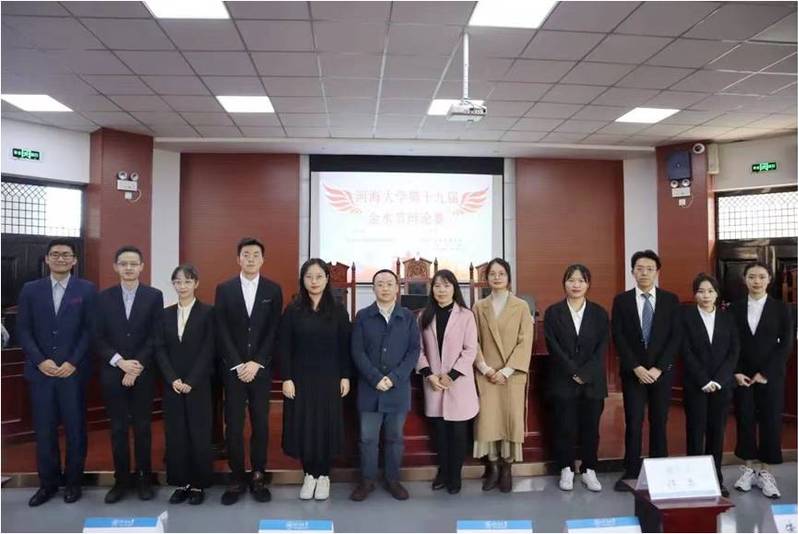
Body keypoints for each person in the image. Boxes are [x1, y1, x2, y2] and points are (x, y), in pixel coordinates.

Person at [17, 239, 96, 506]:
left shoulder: (86, 289)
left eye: (66, 254)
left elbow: (90, 330)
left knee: (75, 431)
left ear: (74, 260)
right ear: (47, 259)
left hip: (73, 373)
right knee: (45, 431)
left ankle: (73, 483)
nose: (60, 258)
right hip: (41, 373)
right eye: (55, 254)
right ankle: (48, 484)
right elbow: (23, 329)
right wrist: (40, 361)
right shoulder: (31, 289)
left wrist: (73, 361)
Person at [214, 237, 283, 505]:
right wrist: (238, 363)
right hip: (233, 370)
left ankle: (257, 475)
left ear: (262, 259)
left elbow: (274, 330)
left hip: (260, 370)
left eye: (256, 254)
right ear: (238, 259)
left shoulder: (273, 290)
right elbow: (221, 328)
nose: (251, 258)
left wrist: (257, 362)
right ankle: (236, 477)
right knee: (233, 425)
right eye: (246, 254)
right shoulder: (225, 289)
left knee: (260, 424)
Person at [94, 245, 164, 503]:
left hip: (143, 373)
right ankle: (121, 480)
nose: (129, 268)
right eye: (123, 263)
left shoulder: (153, 296)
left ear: (142, 267)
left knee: (143, 428)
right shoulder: (103, 298)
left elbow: (155, 335)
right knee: (118, 428)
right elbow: (97, 337)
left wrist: (136, 366)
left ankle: (144, 478)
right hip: (113, 372)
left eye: (134, 263)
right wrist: (120, 363)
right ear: (116, 267)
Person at [279, 258, 351, 501]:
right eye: (309, 276)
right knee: (304, 425)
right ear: (303, 280)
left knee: (325, 426)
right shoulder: (293, 309)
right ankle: (309, 474)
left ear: (327, 279)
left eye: (319, 276)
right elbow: (284, 346)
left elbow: (345, 345)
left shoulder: (338, 309)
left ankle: (324, 476)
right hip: (300, 378)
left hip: (330, 377)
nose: (314, 281)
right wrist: (286, 378)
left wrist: (345, 375)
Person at [611, 249, 680, 492]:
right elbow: (618, 336)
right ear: (632, 272)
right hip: (634, 374)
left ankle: (660, 471)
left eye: (650, 269)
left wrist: (659, 368)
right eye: (639, 268)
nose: (644, 273)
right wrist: (636, 367)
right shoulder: (622, 300)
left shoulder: (670, 300)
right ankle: (631, 471)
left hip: (661, 373)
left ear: (657, 272)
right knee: (634, 421)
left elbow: (675, 337)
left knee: (659, 421)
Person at [350, 269, 420, 502]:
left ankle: (393, 480)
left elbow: (414, 351)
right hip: (369, 390)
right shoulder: (363, 316)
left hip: (397, 390)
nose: (385, 288)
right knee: (367, 439)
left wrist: (394, 378)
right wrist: (375, 378)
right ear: (373, 289)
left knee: (395, 439)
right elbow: (357, 351)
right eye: (380, 284)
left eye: (390, 283)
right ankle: (367, 481)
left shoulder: (407, 317)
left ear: (397, 288)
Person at [730, 261, 794, 498]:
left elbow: (786, 344)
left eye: (761, 277)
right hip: (743, 376)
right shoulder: (734, 308)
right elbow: (730, 342)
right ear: (744, 280)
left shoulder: (782, 309)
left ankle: (766, 472)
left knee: (770, 421)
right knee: (745, 419)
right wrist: (736, 371)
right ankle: (748, 469)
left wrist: (765, 372)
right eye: (751, 277)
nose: (756, 281)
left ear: (769, 280)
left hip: (771, 376)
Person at [544, 264, 608, 493]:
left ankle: (589, 469)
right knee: (565, 427)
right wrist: (574, 371)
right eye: (571, 280)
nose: (576, 285)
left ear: (588, 284)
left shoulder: (599, 313)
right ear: (564, 283)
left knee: (591, 428)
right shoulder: (553, 312)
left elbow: (602, 347)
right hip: (563, 380)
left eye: (581, 280)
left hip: (593, 382)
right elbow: (553, 346)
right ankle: (567, 468)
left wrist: (585, 373)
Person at [472, 258, 534, 493]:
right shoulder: (479, 306)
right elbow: (473, 341)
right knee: (488, 422)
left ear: (508, 277)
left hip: (511, 375)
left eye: (501, 273)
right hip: (487, 374)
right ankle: (493, 467)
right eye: (492, 274)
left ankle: (507, 468)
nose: (497, 277)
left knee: (509, 421)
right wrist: (486, 369)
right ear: (486, 278)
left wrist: (506, 371)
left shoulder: (521, 306)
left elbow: (525, 342)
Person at [155, 264, 214, 505]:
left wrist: (191, 380)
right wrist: (173, 378)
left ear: (196, 284)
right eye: (178, 282)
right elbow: (159, 348)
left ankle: (199, 484)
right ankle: (182, 483)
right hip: (173, 385)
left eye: (187, 281)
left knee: (199, 433)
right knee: (176, 434)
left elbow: (209, 348)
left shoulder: (208, 312)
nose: (182, 286)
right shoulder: (164, 314)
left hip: (198, 384)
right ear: (173, 284)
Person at [416, 269, 479, 494]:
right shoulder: (424, 315)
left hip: (458, 383)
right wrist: (428, 373)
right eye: (437, 286)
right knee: (440, 433)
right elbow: (418, 349)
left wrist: (451, 375)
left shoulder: (466, 315)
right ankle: (443, 472)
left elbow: (470, 350)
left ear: (454, 288)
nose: (441, 290)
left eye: (446, 285)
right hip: (434, 383)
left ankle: (455, 475)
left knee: (459, 434)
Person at [681, 273, 739, 497]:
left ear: (717, 294)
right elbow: (685, 351)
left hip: (721, 386)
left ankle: (715, 479)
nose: (705, 295)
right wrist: (703, 380)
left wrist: (719, 379)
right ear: (695, 294)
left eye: (710, 291)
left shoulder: (728, 318)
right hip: (696, 385)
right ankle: (693, 480)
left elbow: (734, 351)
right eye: (701, 291)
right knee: (695, 432)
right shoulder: (686, 317)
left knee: (717, 433)